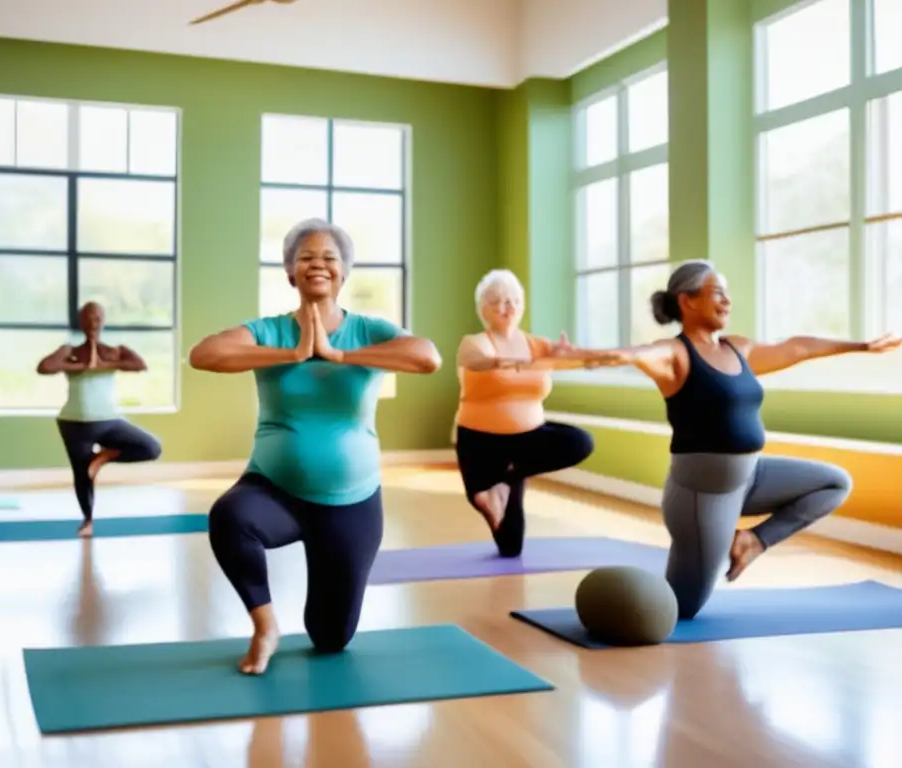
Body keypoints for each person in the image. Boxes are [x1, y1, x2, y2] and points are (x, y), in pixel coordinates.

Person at [578, 260, 901, 618]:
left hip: (750, 478)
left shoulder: (738, 349)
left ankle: (752, 539)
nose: (728, 302)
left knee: (833, 484)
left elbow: (798, 348)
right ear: (687, 301)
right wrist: (591, 357)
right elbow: (637, 354)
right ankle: (617, 603)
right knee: (682, 608)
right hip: (702, 498)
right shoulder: (676, 354)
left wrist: (862, 346)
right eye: (718, 293)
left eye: (727, 294)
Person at [189, 218, 441, 675]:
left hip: (352, 501)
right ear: (290, 273)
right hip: (274, 490)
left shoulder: (369, 331)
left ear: (344, 273)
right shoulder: (269, 331)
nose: (317, 264)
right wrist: (294, 354)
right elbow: (204, 354)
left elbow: (427, 357)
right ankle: (265, 626)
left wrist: (338, 355)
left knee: (331, 638)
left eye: (329, 258)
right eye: (305, 257)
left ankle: (324, 605)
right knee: (230, 517)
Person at [454, 269, 616, 557]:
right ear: (483, 309)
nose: (509, 307)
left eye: (515, 299)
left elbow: (577, 356)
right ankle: (492, 484)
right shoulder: (475, 342)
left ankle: (505, 479)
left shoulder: (537, 345)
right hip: (481, 443)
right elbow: (471, 359)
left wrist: (601, 358)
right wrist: (505, 362)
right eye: (499, 302)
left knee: (580, 442)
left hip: (526, 442)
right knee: (510, 546)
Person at [35, 301, 162, 537]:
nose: (93, 322)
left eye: (97, 318)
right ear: (81, 321)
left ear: (103, 321)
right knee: (82, 473)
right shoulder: (70, 351)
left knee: (152, 447)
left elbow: (140, 365)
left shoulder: (113, 350)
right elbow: (44, 367)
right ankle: (88, 520)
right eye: (88, 318)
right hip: (73, 423)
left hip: (107, 420)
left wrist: (106, 364)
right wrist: (79, 366)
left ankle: (103, 456)